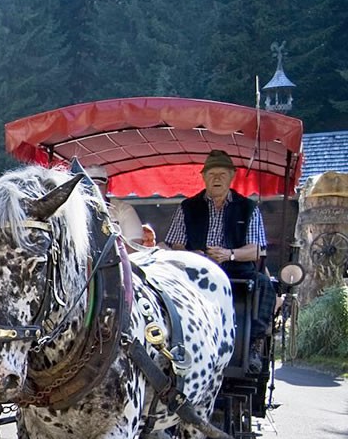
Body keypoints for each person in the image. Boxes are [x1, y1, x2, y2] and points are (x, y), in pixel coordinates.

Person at [162, 149, 276, 373]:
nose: (216, 179)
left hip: (236, 272)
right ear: (203, 177)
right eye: (211, 174)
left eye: (222, 174)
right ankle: (171, 343)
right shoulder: (187, 207)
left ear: (232, 176)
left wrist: (229, 254)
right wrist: (196, 256)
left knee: (264, 285)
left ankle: (253, 346)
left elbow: (256, 250)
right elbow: (175, 244)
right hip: (197, 272)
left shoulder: (248, 207)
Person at [85, 164, 144, 247]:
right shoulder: (73, 211)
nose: (95, 189)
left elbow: (135, 244)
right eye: (90, 185)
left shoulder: (123, 209)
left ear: (107, 186)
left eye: (99, 185)